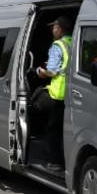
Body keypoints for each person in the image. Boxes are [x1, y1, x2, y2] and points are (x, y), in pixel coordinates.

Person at [31, 15, 72, 174]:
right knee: (64, 130)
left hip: (57, 94)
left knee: (50, 126)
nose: (52, 29)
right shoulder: (73, 41)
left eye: (54, 26)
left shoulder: (57, 45)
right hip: (72, 93)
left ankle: (55, 162)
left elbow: (52, 71)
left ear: (60, 29)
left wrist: (40, 72)